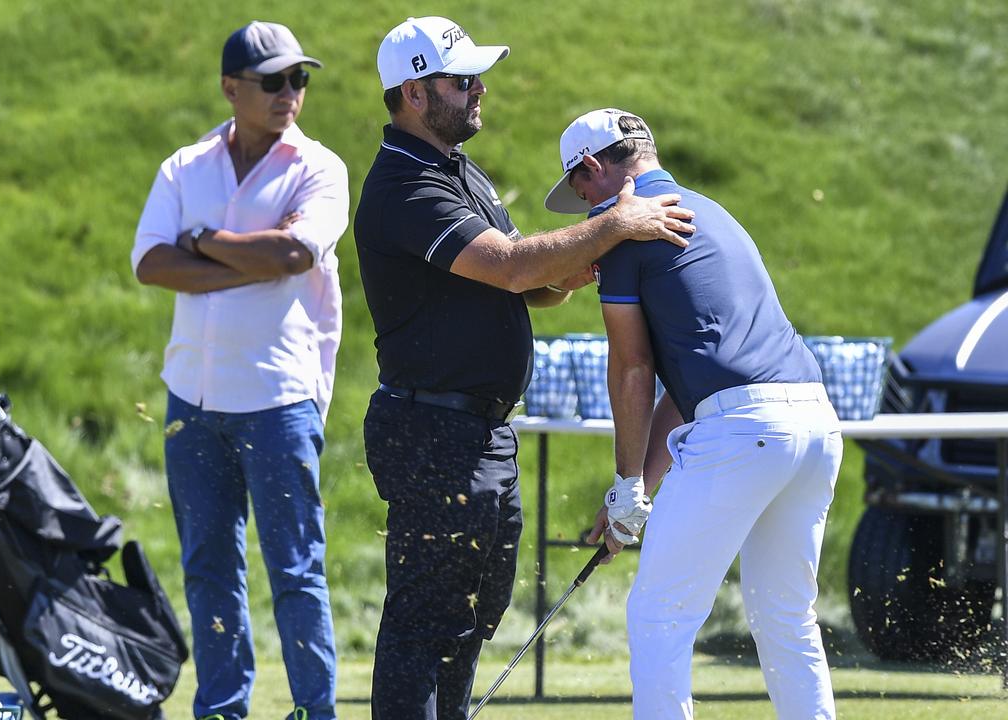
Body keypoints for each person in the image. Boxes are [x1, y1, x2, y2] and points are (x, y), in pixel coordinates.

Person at [354, 18, 697, 720]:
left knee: (472, 616)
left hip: (478, 436)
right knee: (425, 626)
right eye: (462, 79)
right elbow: (510, 268)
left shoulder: (455, 170)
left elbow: (532, 282)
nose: (480, 89)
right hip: (432, 432)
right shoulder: (403, 186)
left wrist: (576, 266)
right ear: (415, 93)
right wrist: (616, 222)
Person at [559, 108, 841, 719]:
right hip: (815, 424)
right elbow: (685, 394)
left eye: (579, 191)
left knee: (658, 613)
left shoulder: (623, 231)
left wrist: (626, 486)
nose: (584, 209)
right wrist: (634, 493)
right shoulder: (717, 212)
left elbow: (632, 367)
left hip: (744, 431)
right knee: (786, 620)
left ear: (592, 168)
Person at [130, 20, 346, 720]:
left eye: (300, 79)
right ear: (230, 87)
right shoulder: (183, 167)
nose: (291, 93)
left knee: (295, 572)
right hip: (190, 401)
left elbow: (292, 257)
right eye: (273, 80)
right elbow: (150, 264)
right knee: (209, 572)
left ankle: (317, 713)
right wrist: (241, 262)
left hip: (280, 399)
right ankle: (222, 711)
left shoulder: (319, 167)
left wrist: (205, 244)